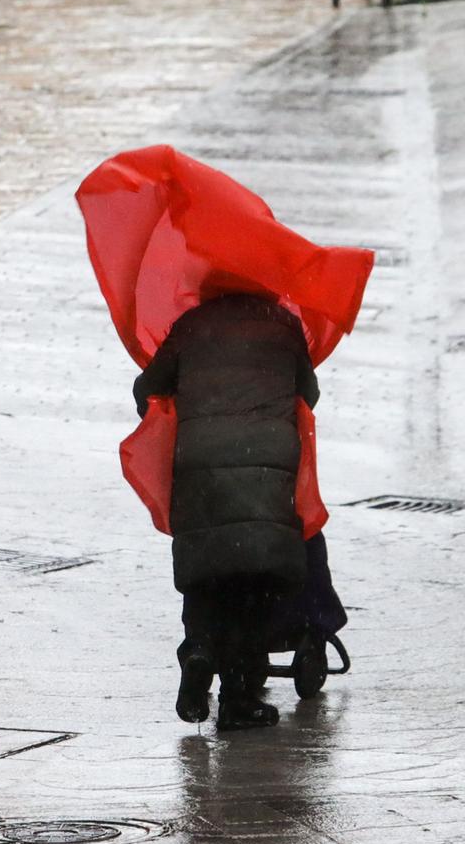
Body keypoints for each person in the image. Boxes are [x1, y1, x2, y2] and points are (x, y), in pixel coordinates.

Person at [132, 289, 344, 730]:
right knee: (254, 582)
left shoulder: (192, 323)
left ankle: (199, 653)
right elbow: (310, 393)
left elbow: (147, 387)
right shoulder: (284, 325)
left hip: (201, 467)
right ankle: (239, 699)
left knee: (210, 568)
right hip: (267, 468)